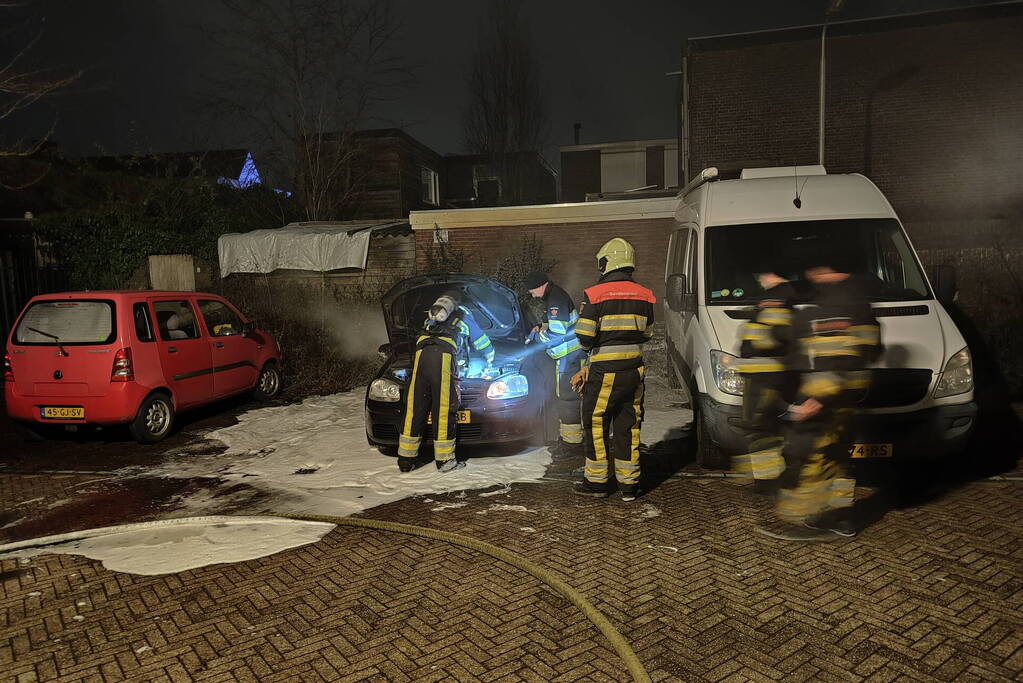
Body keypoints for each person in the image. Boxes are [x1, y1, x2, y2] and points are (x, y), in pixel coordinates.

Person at [756, 254, 881, 541]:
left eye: (816, 269)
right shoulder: (836, 303)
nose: (811, 275)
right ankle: (835, 517)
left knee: (816, 453)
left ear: (829, 269)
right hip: (835, 396)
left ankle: (819, 517)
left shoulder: (846, 307)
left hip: (831, 396)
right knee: (834, 457)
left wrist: (820, 399)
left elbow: (849, 357)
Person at [570, 238, 656, 502]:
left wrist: (590, 355)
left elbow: (584, 336)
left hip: (605, 370)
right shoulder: (645, 294)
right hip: (635, 370)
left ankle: (597, 482)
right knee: (628, 423)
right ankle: (629, 485)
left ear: (606, 262)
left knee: (595, 422)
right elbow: (648, 333)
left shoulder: (595, 294)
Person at [397, 291, 494, 473]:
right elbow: (482, 342)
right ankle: (445, 461)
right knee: (443, 409)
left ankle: (405, 460)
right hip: (442, 358)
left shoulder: (432, 316)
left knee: (415, 407)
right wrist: (490, 359)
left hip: (420, 356)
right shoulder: (463, 315)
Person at [732, 267, 798, 491]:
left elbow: (773, 338)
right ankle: (769, 478)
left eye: (763, 275)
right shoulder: (777, 301)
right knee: (765, 428)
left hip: (764, 377)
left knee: (760, 428)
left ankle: (767, 481)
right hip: (767, 375)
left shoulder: (776, 301)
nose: (760, 280)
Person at [524, 271, 585, 455]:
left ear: (540, 285)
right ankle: (567, 439)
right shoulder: (554, 296)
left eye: (532, 291)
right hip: (568, 356)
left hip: (570, 357)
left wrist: (538, 337)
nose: (532, 295)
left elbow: (557, 334)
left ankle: (572, 444)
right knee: (564, 397)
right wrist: (541, 326)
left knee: (567, 398)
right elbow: (555, 325)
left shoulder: (556, 299)